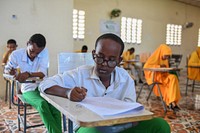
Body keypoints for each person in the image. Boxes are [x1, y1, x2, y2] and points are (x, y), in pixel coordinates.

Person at [39, 33, 170, 133]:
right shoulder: (79, 74)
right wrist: (67, 92)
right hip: (90, 128)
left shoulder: (125, 79)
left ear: (119, 60)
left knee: (160, 125)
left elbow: (131, 110)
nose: (104, 64)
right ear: (93, 54)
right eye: (100, 57)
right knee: (92, 131)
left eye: (111, 60)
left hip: (119, 127)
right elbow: (44, 84)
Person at [4, 34, 62, 133]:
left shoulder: (44, 52)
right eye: (32, 51)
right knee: (42, 104)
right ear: (27, 44)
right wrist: (11, 72)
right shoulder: (16, 54)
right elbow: (6, 70)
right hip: (28, 88)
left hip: (43, 86)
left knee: (55, 107)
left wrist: (28, 74)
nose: (34, 55)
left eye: (37, 53)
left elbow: (42, 73)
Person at [143, 44, 181, 111]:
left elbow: (165, 69)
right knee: (170, 83)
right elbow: (146, 67)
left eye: (168, 56)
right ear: (161, 52)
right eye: (166, 55)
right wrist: (159, 66)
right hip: (155, 78)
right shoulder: (153, 58)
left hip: (163, 76)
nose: (166, 58)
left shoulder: (165, 59)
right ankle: (171, 103)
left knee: (174, 78)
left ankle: (173, 101)